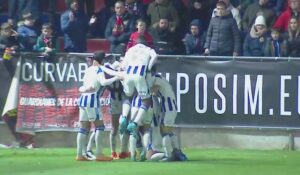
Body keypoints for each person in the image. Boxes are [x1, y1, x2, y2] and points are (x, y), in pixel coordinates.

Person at [76, 51, 120, 161]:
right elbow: (104, 82)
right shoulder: (99, 70)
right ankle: (99, 154)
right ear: (103, 60)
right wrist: (116, 78)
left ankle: (79, 155)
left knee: (83, 128)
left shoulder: (88, 69)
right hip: (92, 99)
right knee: (99, 126)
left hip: (83, 99)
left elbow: (84, 85)